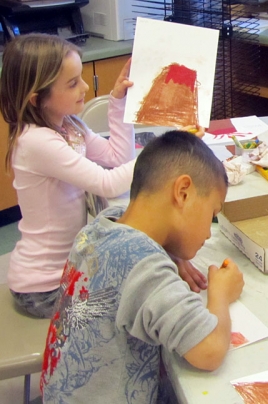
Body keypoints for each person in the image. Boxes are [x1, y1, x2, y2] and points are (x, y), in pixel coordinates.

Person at [0, 34, 206, 318]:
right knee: (137, 303)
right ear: (38, 99)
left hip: (70, 269)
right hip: (43, 289)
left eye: (81, 77)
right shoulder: (36, 142)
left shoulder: (69, 125)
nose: (84, 87)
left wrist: (118, 101)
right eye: (72, 84)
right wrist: (166, 147)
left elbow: (116, 158)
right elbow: (107, 184)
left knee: (144, 282)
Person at [40, 130, 244, 403]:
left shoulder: (100, 228)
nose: (208, 233)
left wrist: (171, 252)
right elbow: (209, 351)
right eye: (212, 214)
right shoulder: (144, 265)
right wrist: (220, 294)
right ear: (183, 193)